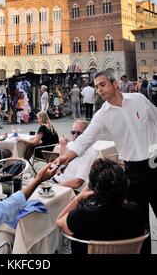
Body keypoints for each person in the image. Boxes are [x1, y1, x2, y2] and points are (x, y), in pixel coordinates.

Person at [54, 69, 157, 253]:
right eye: (96, 87)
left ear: (114, 84)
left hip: (154, 163)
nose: (99, 90)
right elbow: (85, 139)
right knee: (139, 222)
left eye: (103, 84)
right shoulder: (102, 115)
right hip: (132, 171)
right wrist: (65, 158)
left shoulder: (138, 100)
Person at [56, 159, 146, 254]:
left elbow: (59, 221)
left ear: (93, 189)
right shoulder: (135, 211)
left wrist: (78, 198)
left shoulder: (82, 214)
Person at [53, 119, 97, 191]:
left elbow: (77, 183)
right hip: (57, 181)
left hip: (70, 189)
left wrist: (55, 187)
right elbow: (61, 167)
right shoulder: (71, 145)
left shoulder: (89, 154)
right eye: (73, 132)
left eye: (79, 133)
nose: (75, 135)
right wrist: (63, 146)